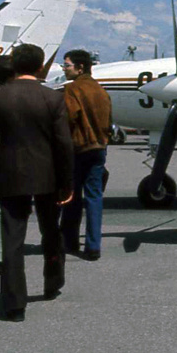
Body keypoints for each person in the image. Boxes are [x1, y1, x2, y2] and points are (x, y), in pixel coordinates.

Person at [0, 44, 74, 322]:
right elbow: (64, 144)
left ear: (15, 65)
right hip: (47, 175)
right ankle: (52, 283)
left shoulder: (0, 96)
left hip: (8, 175)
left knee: (12, 238)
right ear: (41, 66)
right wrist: (67, 182)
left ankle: (14, 303)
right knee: (50, 231)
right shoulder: (52, 98)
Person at [59, 49, 112, 261]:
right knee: (94, 197)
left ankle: (69, 240)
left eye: (67, 65)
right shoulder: (101, 90)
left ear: (80, 67)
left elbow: (69, 119)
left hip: (78, 149)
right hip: (99, 148)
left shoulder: (72, 90)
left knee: (72, 197)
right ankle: (93, 246)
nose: (64, 69)